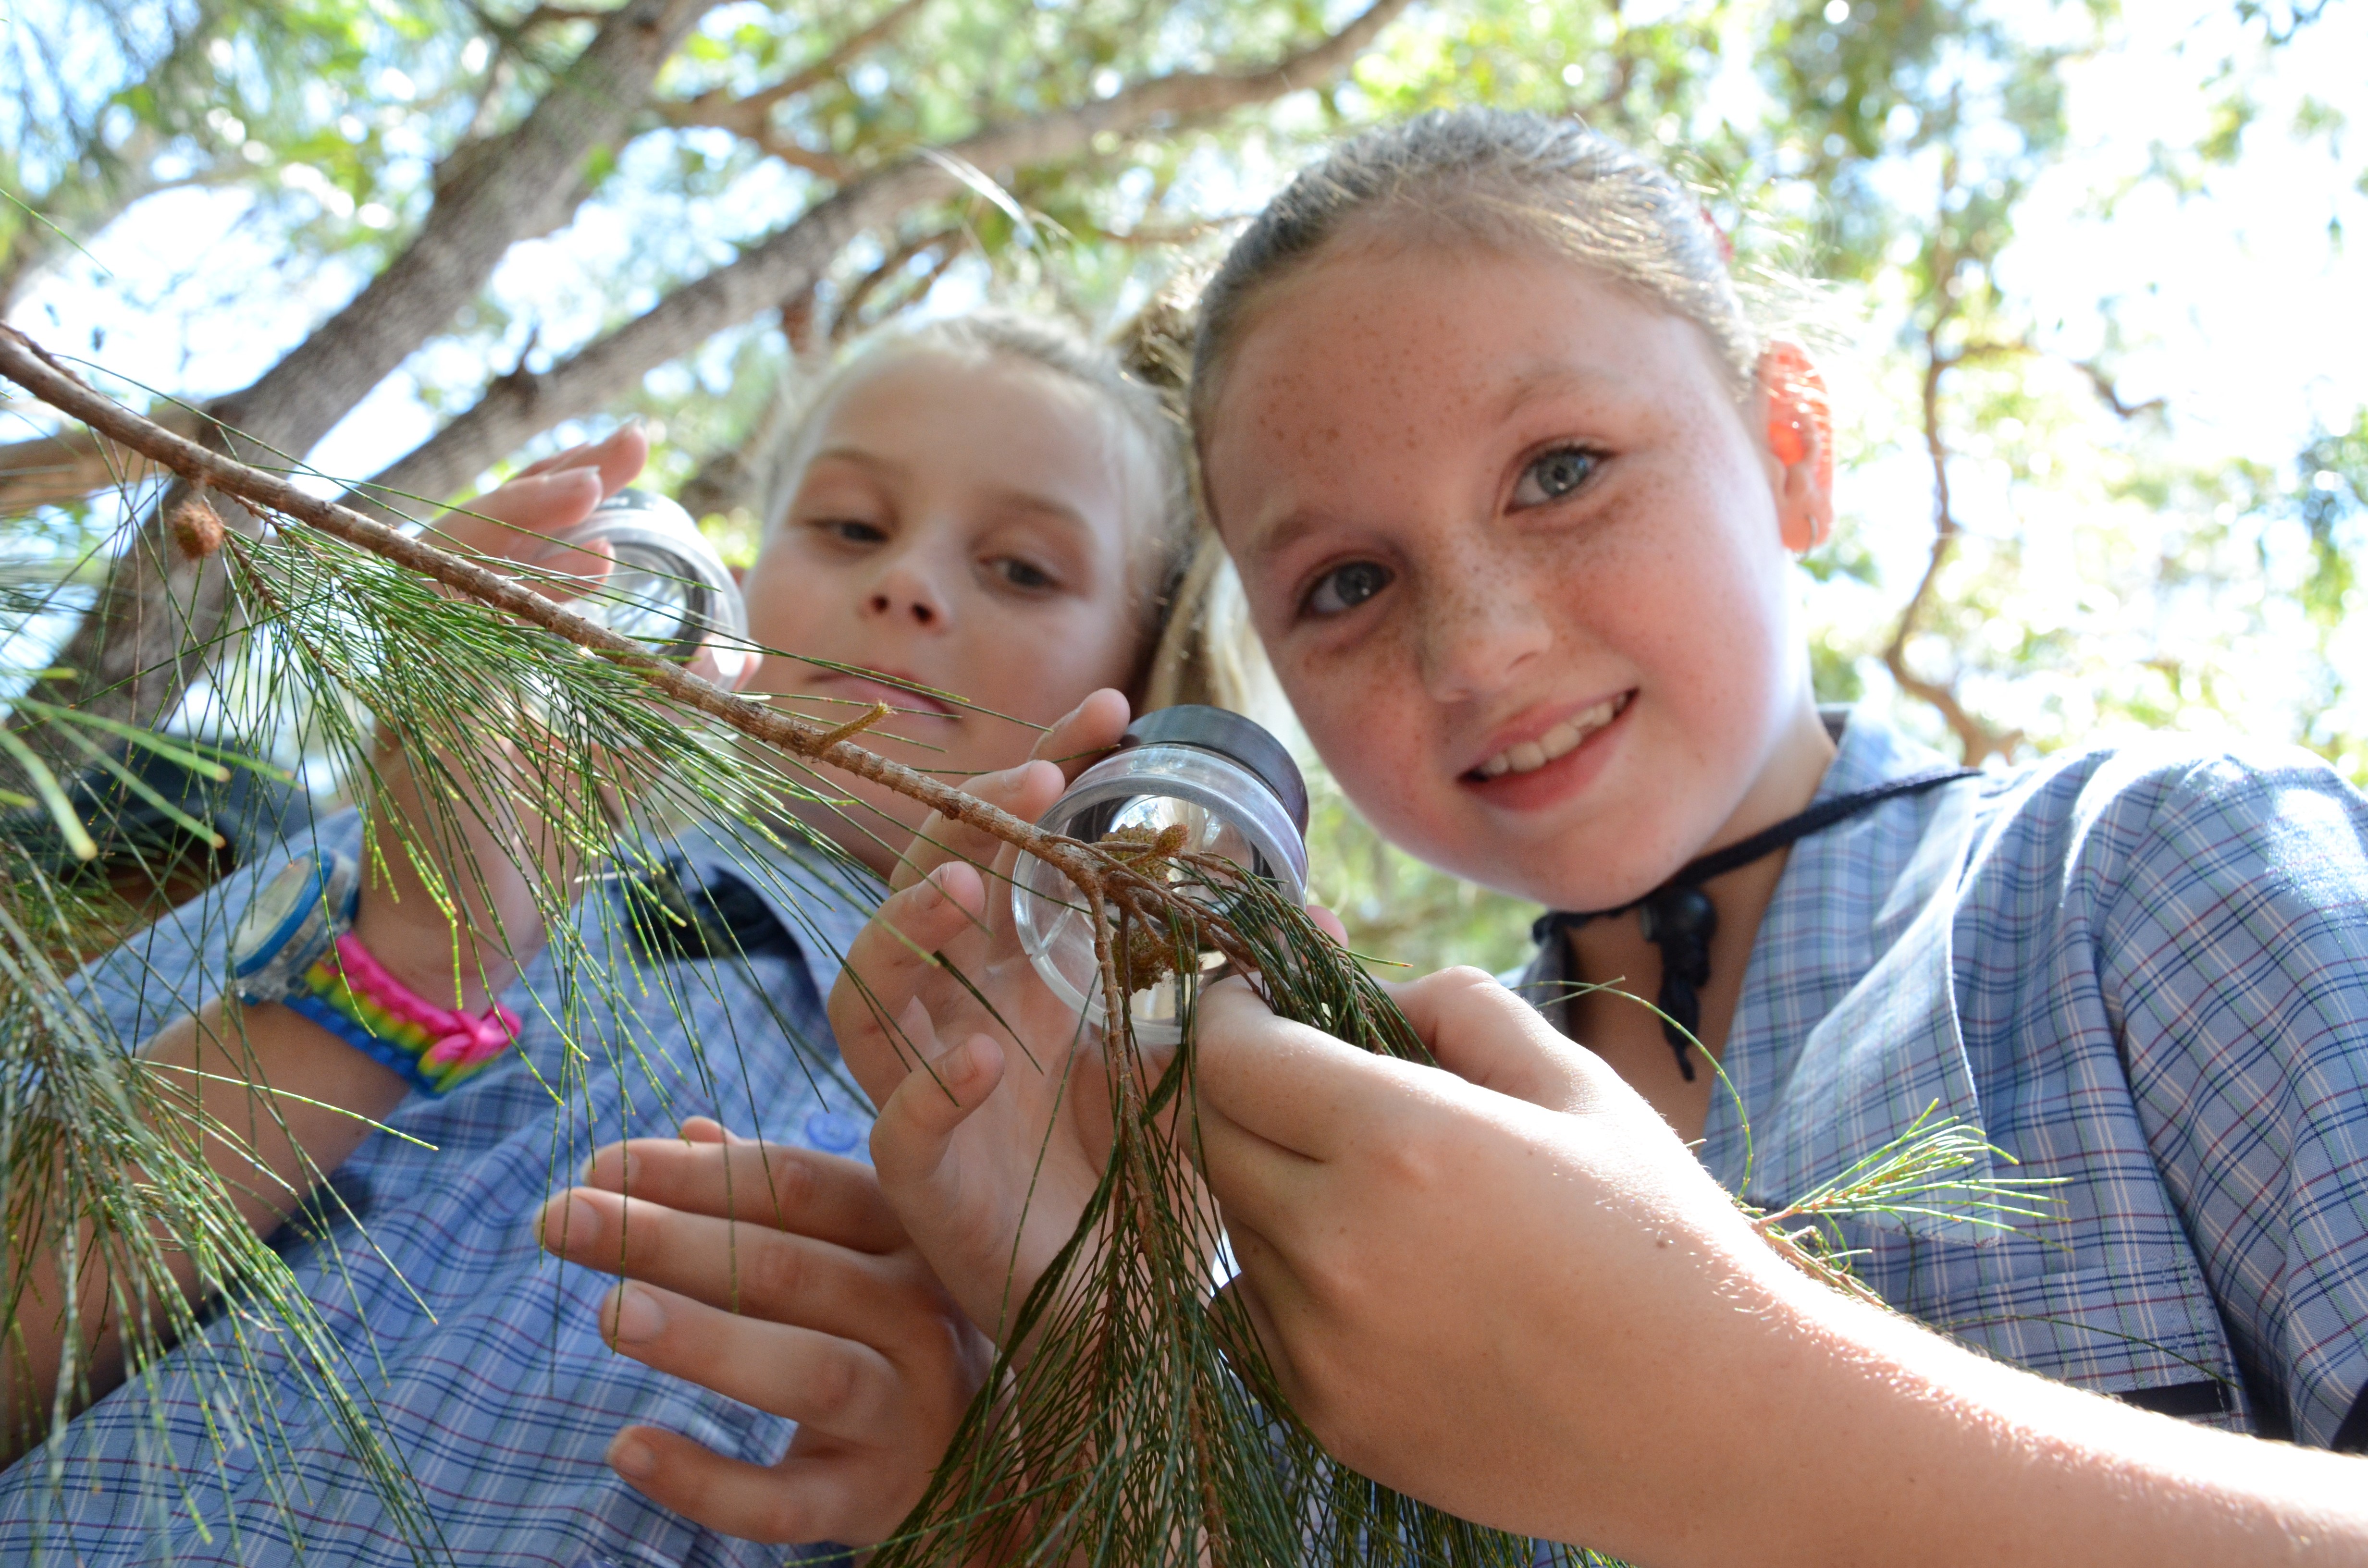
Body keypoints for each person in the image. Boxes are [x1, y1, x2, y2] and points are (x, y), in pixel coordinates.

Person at [560, 109, 2368, 1563]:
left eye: (1563, 471)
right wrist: (1072, 1315)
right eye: (1347, 581)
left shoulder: (2148, 885)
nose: (1481, 645)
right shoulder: (1344, 1148)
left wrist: (1743, 1410)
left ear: (1790, 446)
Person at [0, 311, 1210, 1565]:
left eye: (1021, 569)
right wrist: (405, 970)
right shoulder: (387, 872)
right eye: (851, 526)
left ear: (1146, 695)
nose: (905, 584)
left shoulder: (1096, 1163)